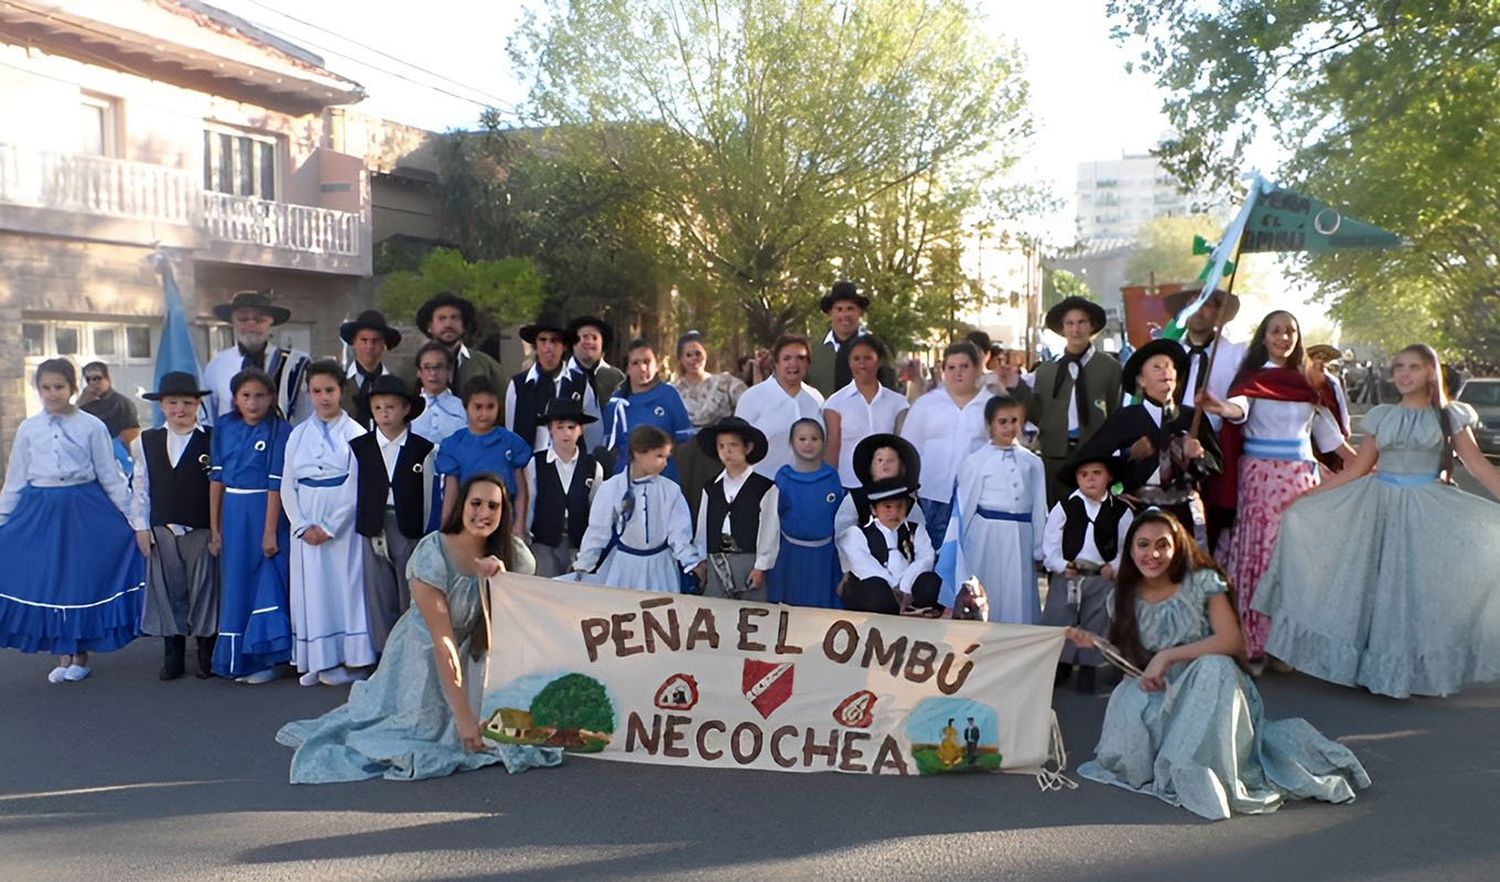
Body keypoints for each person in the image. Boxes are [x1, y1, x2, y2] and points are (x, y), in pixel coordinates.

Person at [1069, 510, 1370, 821]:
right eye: (1143, 545)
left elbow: (1231, 643)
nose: (1153, 554)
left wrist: (1168, 656)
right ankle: (1164, 751)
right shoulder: (1122, 595)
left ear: (1179, 546)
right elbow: (1131, 662)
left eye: (1163, 544)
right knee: (1131, 704)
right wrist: (1097, 644)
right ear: (1130, 551)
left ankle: (1197, 766)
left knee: (1215, 666)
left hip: (1212, 686)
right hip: (1161, 687)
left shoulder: (1204, 582)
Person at [277, 473, 561, 783]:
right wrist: (464, 719)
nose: (484, 513)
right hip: (423, 653)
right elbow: (443, 642)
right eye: (476, 503)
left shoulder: (515, 556)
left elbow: (514, 632)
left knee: (503, 728)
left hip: (473, 655)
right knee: (415, 731)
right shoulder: (434, 553)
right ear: (461, 506)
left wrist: (500, 584)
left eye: (494, 506)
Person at [1256, 344, 1500, 698]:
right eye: (1399, 367)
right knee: (1373, 587)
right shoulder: (1383, 416)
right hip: (1378, 505)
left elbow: (1479, 467)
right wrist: (1308, 498)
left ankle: (1406, 671)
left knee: (1415, 592)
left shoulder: (1449, 417)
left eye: (1413, 367)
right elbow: (1357, 468)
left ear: (1431, 373)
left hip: (1426, 510)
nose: (1403, 374)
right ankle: (1372, 668)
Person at [1198, 310, 1354, 671]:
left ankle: (1287, 644)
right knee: (1262, 559)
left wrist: (1365, 462)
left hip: (1302, 479)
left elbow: (1328, 436)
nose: (1283, 337)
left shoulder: (1310, 383)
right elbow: (1238, 410)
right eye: (1276, 331)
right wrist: (1220, 405)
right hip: (1262, 480)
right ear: (1263, 337)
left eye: (1290, 331)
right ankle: (1254, 640)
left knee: (1297, 562)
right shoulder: (1252, 380)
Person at [0, 359, 143, 683]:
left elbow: (110, 475)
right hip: (40, 509)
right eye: (46, 388)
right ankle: (62, 653)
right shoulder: (29, 428)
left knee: (77, 579)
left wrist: (133, 519)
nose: (52, 394)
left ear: (72, 388)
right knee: (48, 579)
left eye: (59, 387)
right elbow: (16, 477)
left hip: (83, 509)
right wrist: (3, 517)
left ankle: (79, 654)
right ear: (37, 390)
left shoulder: (91, 426)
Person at [1076, 338, 1221, 547]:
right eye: (1157, 367)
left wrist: (1199, 455)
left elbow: (1217, 466)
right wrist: (1128, 455)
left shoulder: (1192, 417)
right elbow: (1091, 461)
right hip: (1138, 510)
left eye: (1170, 367)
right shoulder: (1125, 418)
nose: (1166, 372)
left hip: (1184, 514)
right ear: (1141, 381)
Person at [282, 360, 374, 687]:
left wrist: (331, 525)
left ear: (342, 391)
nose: (323, 397)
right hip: (306, 519)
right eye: (317, 390)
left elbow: (357, 484)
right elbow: (287, 483)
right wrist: (302, 524)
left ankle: (352, 658)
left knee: (346, 587)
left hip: (342, 525)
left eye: (330, 390)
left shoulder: (357, 434)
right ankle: (318, 660)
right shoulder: (297, 435)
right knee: (313, 590)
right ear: (309, 392)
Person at [129, 372, 217, 681]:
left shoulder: (212, 438)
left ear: (198, 404)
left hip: (201, 526)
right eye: (172, 403)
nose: (179, 409)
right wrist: (141, 527)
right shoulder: (147, 440)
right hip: (162, 526)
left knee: (205, 589)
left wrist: (218, 530)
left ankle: (207, 649)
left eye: (187, 403)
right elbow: (140, 486)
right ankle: (173, 650)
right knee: (168, 591)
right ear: (162, 405)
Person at [209, 368, 293, 683]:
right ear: (235, 399)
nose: (253, 402)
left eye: (260, 395)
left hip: (266, 511)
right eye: (246, 396)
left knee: (266, 579)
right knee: (236, 583)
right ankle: (237, 659)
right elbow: (216, 479)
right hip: (233, 513)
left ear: (271, 398)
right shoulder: (224, 427)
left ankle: (266, 659)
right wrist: (215, 529)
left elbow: (276, 482)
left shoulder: (280, 430)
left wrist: (271, 530)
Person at [1001, 295, 1121, 505]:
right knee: (1057, 516)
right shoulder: (1047, 370)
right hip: (1054, 455)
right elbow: (1035, 413)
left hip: (1093, 457)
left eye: (1082, 322)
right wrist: (1016, 387)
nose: (1076, 330)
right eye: (1070, 323)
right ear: (1063, 329)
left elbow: (1115, 411)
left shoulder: (1109, 367)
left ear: (1091, 326)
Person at [940, 395, 1047, 623]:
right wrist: (960, 545)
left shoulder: (1033, 463)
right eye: (1002, 422)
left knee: (1018, 590)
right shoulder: (976, 461)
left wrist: (1039, 546)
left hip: (1020, 535)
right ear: (990, 425)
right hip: (986, 536)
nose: (1009, 427)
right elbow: (965, 505)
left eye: (1014, 421)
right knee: (988, 588)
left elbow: (1039, 505)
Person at [350, 375, 435, 652]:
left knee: (409, 590)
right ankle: (384, 653)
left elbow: (429, 492)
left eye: (391, 407)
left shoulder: (423, 449)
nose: (384, 414)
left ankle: (410, 651)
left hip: (408, 524)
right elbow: (353, 489)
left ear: (406, 409)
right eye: (378, 408)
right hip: (374, 523)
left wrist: (425, 530)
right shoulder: (360, 447)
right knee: (378, 594)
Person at [1042, 452, 1133, 692]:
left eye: (1096, 473)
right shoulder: (1064, 507)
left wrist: (1113, 568)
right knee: (1060, 620)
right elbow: (1049, 547)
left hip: (1100, 576)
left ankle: (1089, 668)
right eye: (1084, 475)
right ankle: (1060, 666)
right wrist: (1062, 566)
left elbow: (1126, 547)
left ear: (1109, 476)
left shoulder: (1121, 511)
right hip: (1069, 575)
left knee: (1097, 621)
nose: (1090, 479)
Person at [572, 425, 702, 592]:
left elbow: (679, 533)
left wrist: (691, 562)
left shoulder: (671, 490)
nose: (665, 463)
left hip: (660, 568)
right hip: (625, 567)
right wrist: (583, 567)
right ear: (639, 453)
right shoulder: (611, 488)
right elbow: (598, 532)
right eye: (659, 456)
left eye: (667, 457)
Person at [899, 341, 994, 549]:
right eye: (951, 367)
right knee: (934, 556)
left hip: (977, 497)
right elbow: (907, 449)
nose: (958, 373)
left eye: (964, 367)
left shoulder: (991, 406)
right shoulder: (926, 404)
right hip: (933, 495)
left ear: (977, 369)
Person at [691, 417, 779, 602]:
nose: (727, 451)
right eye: (721, 446)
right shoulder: (711, 487)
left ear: (747, 448)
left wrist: (761, 566)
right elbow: (703, 527)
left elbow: (769, 530)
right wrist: (701, 560)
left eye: (733, 445)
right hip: (716, 561)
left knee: (751, 615)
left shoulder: (764, 487)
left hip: (748, 560)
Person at [436, 377, 531, 533]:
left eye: (490, 407)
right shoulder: (454, 445)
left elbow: (521, 489)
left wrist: (519, 526)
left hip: (504, 518)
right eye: (478, 407)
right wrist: (446, 529)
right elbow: (451, 492)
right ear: (466, 407)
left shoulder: (511, 442)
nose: (484, 413)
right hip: (467, 519)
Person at [202, 290, 312, 425]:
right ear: (232, 322)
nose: (251, 324)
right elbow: (209, 420)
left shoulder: (293, 365)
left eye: (259, 319)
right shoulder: (216, 366)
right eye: (243, 319)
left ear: (270, 322)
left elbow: (308, 416)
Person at [768, 419, 845, 609]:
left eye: (814, 438)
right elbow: (773, 522)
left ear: (823, 442)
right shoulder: (783, 478)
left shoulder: (832, 477)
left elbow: (841, 520)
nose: (808, 444)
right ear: (791, 442)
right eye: (802, 439)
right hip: (790, 556)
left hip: (825, 558)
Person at [836, 477, 941, 615]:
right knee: (876, 589)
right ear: (874, 509)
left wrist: (905, 587)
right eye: (887, 507)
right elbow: (864, 565)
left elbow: (925, 558)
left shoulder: (916, 531)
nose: (894, 513)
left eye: (900, 507)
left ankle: (913, 612)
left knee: (931, 582)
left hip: (908, 591)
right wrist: (892, 588)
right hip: (880, 589)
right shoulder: (857, 534)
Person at [670, 330, 748, 516]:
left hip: (717, 454)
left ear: (706, 354)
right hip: (682, 456)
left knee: (714, 508)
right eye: (688, 355)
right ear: (681, 359)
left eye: (698, 353)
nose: (693, 359)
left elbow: (750, 404)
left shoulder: (726, 383)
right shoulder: (671, 390)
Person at [526, 399, 604, 577]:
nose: (566, 433)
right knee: (545, 591)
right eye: (560, 427)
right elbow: (530, 502)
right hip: (544, 542)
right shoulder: (536, 463)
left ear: (581, 430)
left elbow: (596, 510)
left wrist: (592, 548)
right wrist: (525, 537)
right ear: (550, 429)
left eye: (572, 427)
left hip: (579, 544)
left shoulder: (593, 467)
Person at [823, 334, 909, 489]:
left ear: (879, 360)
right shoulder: (835, 403)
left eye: (868, 358)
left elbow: (903, 446)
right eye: (856, 359)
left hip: (888, 485)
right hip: (848, 484)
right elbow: (832, 446)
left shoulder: (898, 403)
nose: (862, 364)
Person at [601, 338, 695, 480]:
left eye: (647, 362)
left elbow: (684, 441)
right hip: (626, 481)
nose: (642, 368)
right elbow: (610, 447)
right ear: (627, 368)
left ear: (657, 365)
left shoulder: (670, 395)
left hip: (664, 479)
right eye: (635, 363)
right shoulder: (617, 402)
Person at [734, 335, 826, 478]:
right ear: (776, 363)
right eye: (787, 358)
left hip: (808, 484)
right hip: (765, 487)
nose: (793, 364)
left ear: (808, 363)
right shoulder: (752, 397)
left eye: (800, 358)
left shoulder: (816, 398)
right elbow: (737, 444)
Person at [506, 314, 596, 452]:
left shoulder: (580, 384)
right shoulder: (518, 386)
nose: (548, 347)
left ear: (564, 346)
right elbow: (511, 433)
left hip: (568, 467)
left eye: (555, 341)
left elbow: (591, 432)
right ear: (535, 345)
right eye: (543, 340)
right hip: (529, 467)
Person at [1162, 286, 1246, 428]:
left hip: (1215, 440)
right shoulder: (1167, 354)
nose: (1198, 311)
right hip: (1170, 439)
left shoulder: (1236, 354)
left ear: (1218, 313)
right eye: (1191, 305)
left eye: (1205, 305)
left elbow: (1244, 399)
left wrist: (1226, 408)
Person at [807, 280, 897, 397]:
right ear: (830, 313)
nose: (844, 315)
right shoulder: (815, 350)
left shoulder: (876, 349)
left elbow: (889, 391)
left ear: (860, 312)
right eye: (839, 309)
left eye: (850, 309)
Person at [833, 433, 925, 544]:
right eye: (879, 460)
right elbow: (842, 535)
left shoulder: (908, 502)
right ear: (870, 466)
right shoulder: (856, 499)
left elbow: (920, 536)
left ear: (901, 466)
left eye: (890, 460)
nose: (884, 465)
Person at [415, 292, 506, 395]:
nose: (448, 324)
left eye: (454, 318)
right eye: (442, 318)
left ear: (464, 325)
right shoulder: (412, 366)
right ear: (429, 326)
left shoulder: (487, 365)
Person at [340, 310, 401, 428]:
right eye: (364, 340)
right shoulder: (339, 383)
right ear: (354, 342)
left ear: (384, 344)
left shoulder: (395, 386)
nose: (369, 346)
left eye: (375, 341)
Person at [409, 342, 469, 447]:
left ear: (449, 371)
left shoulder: (463, 408)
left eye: (439, 367)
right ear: (419, 372)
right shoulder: (408, 408)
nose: (433, 373)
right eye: (427, 367)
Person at [567, 315, 628, 416]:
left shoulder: (617, 378)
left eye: (594, 338)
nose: (589, 342)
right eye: (585, 337)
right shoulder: (561, 376)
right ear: (573, 343)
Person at [78, 362, 141, 439]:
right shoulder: (85, 404)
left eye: (97, 379)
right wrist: (80, 404)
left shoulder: (123, 404)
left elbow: (132, 438)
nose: (92, 383)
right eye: (88, 380)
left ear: (108, 379)